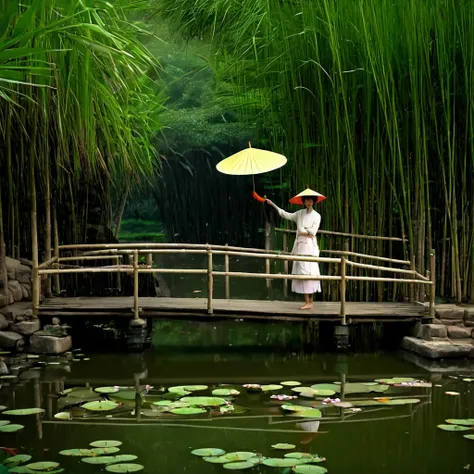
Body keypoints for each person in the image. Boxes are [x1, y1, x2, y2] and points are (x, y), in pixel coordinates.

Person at [266, 195, 322, 310]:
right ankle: (307, 301)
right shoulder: (299, 213)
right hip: (300, 245)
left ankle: (310, 302)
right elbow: (285, 214)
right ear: (304, 201)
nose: (309, 202)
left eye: (311, 200)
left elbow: (312, 232)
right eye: (307, 200)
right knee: (301, 272)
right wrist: (273, 205)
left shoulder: (317, 216)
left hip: (310, 247)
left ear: (314, 201)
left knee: (309, 272)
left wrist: (302, 231)